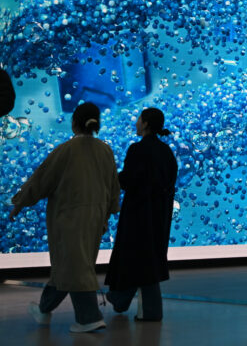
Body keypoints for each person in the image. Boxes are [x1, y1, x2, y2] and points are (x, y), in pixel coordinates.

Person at [8, 102, 120, 333]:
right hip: (95, 218)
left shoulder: (66, 150)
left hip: (69, 218)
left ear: (74, 122)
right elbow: (113, 187)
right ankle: (44, 309)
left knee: (75, 267)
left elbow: (41, 179)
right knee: (71, 265)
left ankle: (89, 317)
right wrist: (108, 213)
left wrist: (20, 202)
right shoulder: (105, 150)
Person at [105, 107, 179, 321]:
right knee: (148, 258)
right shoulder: (166, 152)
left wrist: (110, 177)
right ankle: (120, 299)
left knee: (138, 259)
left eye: (139, 119)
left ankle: (144, 308)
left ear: (145, 123)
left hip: (138, 213)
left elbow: (129, 180)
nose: (136, 122)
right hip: (159, 214)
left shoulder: (138, 149)